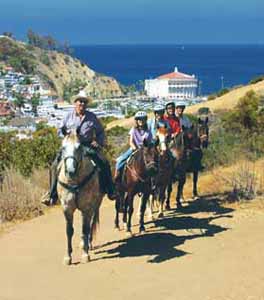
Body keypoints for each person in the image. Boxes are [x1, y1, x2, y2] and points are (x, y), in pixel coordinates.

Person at [42, 91, 116, 205]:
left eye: (84, 102)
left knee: (104, 162)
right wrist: (66, 134)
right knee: (54, 166)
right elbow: (59, 130)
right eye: (80, 101)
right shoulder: (68, 116)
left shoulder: (92, 117)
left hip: (87, 145)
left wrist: (98, 142)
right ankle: (52, 194)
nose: (82, 103)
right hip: (71, 145)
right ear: (75, 103)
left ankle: (110, 189)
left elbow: (101, 131)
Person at [114, 111, 152, 182]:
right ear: (136, 121)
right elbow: (130, 141)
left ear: (145, 120)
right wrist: (135, 148)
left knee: (154, 163)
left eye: (143, 119)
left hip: (145, 150)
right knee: (120, 160)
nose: (141, 121)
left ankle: (154, 182)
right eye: (139, 119)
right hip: (134, 149)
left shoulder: (148, 131)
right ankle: (117, 176)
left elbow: (149, 142)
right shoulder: (134, 129)